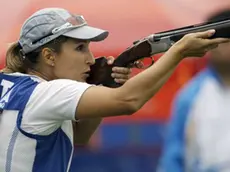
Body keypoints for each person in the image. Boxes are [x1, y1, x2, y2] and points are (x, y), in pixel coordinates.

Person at [0, 7, 228, 172]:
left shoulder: (11, 84)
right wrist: (178, 52)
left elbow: (79, 136)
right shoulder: (48, 93)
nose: (90, 59)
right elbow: (128, 101)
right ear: (49, 56)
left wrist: (104, 84)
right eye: (80, 48)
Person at [158, 9, 230, 172]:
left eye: (224, 40)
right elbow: (174, 156)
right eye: (212, 40)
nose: (217, 47)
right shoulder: (191, 95)